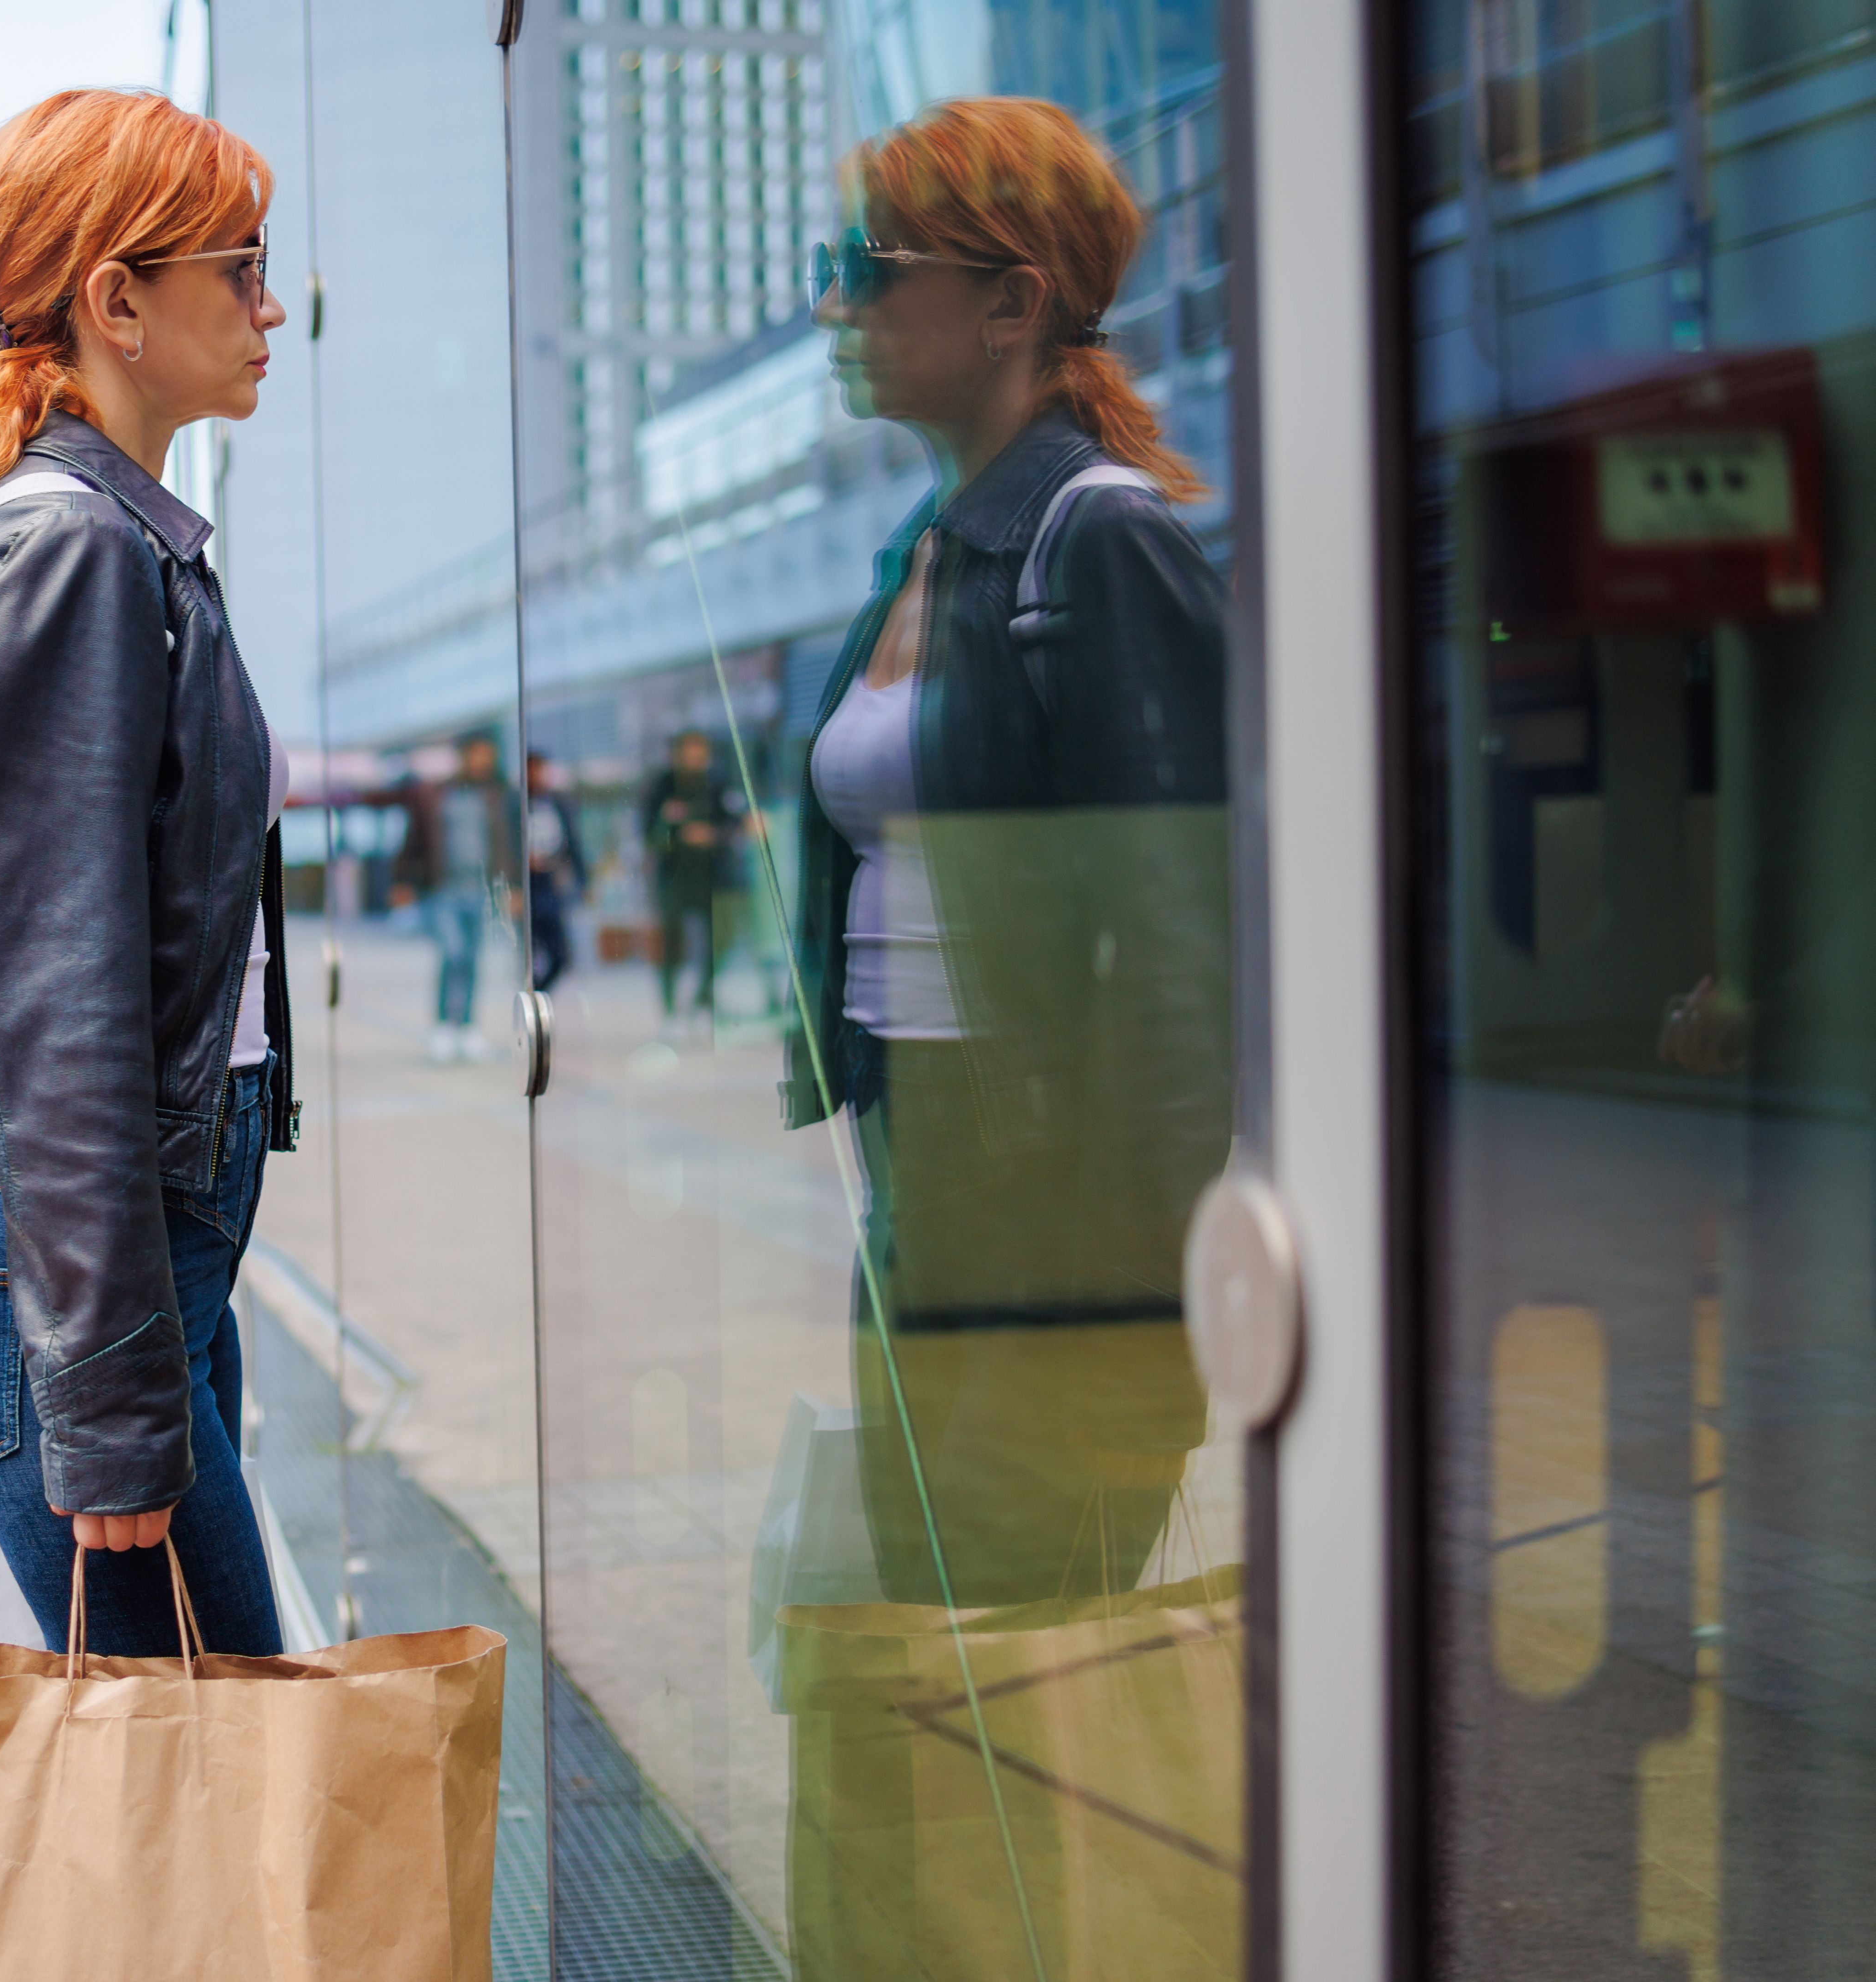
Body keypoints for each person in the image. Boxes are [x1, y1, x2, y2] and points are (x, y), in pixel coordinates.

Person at [779, 99, 1234, 1973]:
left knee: (1027, 1678)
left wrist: (1128, 1294)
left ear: (1007, 299)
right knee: (936, 1656)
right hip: (937, 1184)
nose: (834, 310)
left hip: (1053, 1216)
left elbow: (1191, 957)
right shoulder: (942, 540)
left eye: (866, 275)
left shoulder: (1089, 545)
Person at [0, 89, 293, 1658]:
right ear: (115, 299)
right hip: (72, 1297)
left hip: (123, 1267)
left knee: (206, 1777)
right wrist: (115, 1394)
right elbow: (54, 997)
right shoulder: (74, 550)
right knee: (221, 1775)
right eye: (239, 267)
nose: (267, 308)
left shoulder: (128, 540)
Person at [391, 731, 518, 1062]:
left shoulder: (494, 796)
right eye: (477, 754)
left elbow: (507, 845)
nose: (482, 761)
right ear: (463, 756)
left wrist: (512, 887)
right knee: (454, 953)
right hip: (443, 890)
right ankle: (443, 1026)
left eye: (487, 754)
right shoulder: (437, 795)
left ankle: (467, 1028)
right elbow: (413, 840)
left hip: (481, 890)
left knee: (474, 959)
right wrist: (402, 881)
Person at [643, 729, 741, 1036]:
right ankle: (671, 1010)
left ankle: (703, 998)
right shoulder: (661, 787)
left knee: (720, 939)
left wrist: (711, 836)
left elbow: (735, 826)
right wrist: (673, 832)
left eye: (700, 753)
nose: (694, 759)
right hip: (673, 876)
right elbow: (649, 835)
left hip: (712, 876)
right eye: (688, 752)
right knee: (672, 944)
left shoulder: (717, 785)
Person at [524, 750, 586, 993]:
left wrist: (583, 880)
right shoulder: (513, 803)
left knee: (560, 955)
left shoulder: (558, 803)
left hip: (551, 884)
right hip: (525, 885)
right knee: (528, 954)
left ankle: (539, 994)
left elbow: (573, 843)